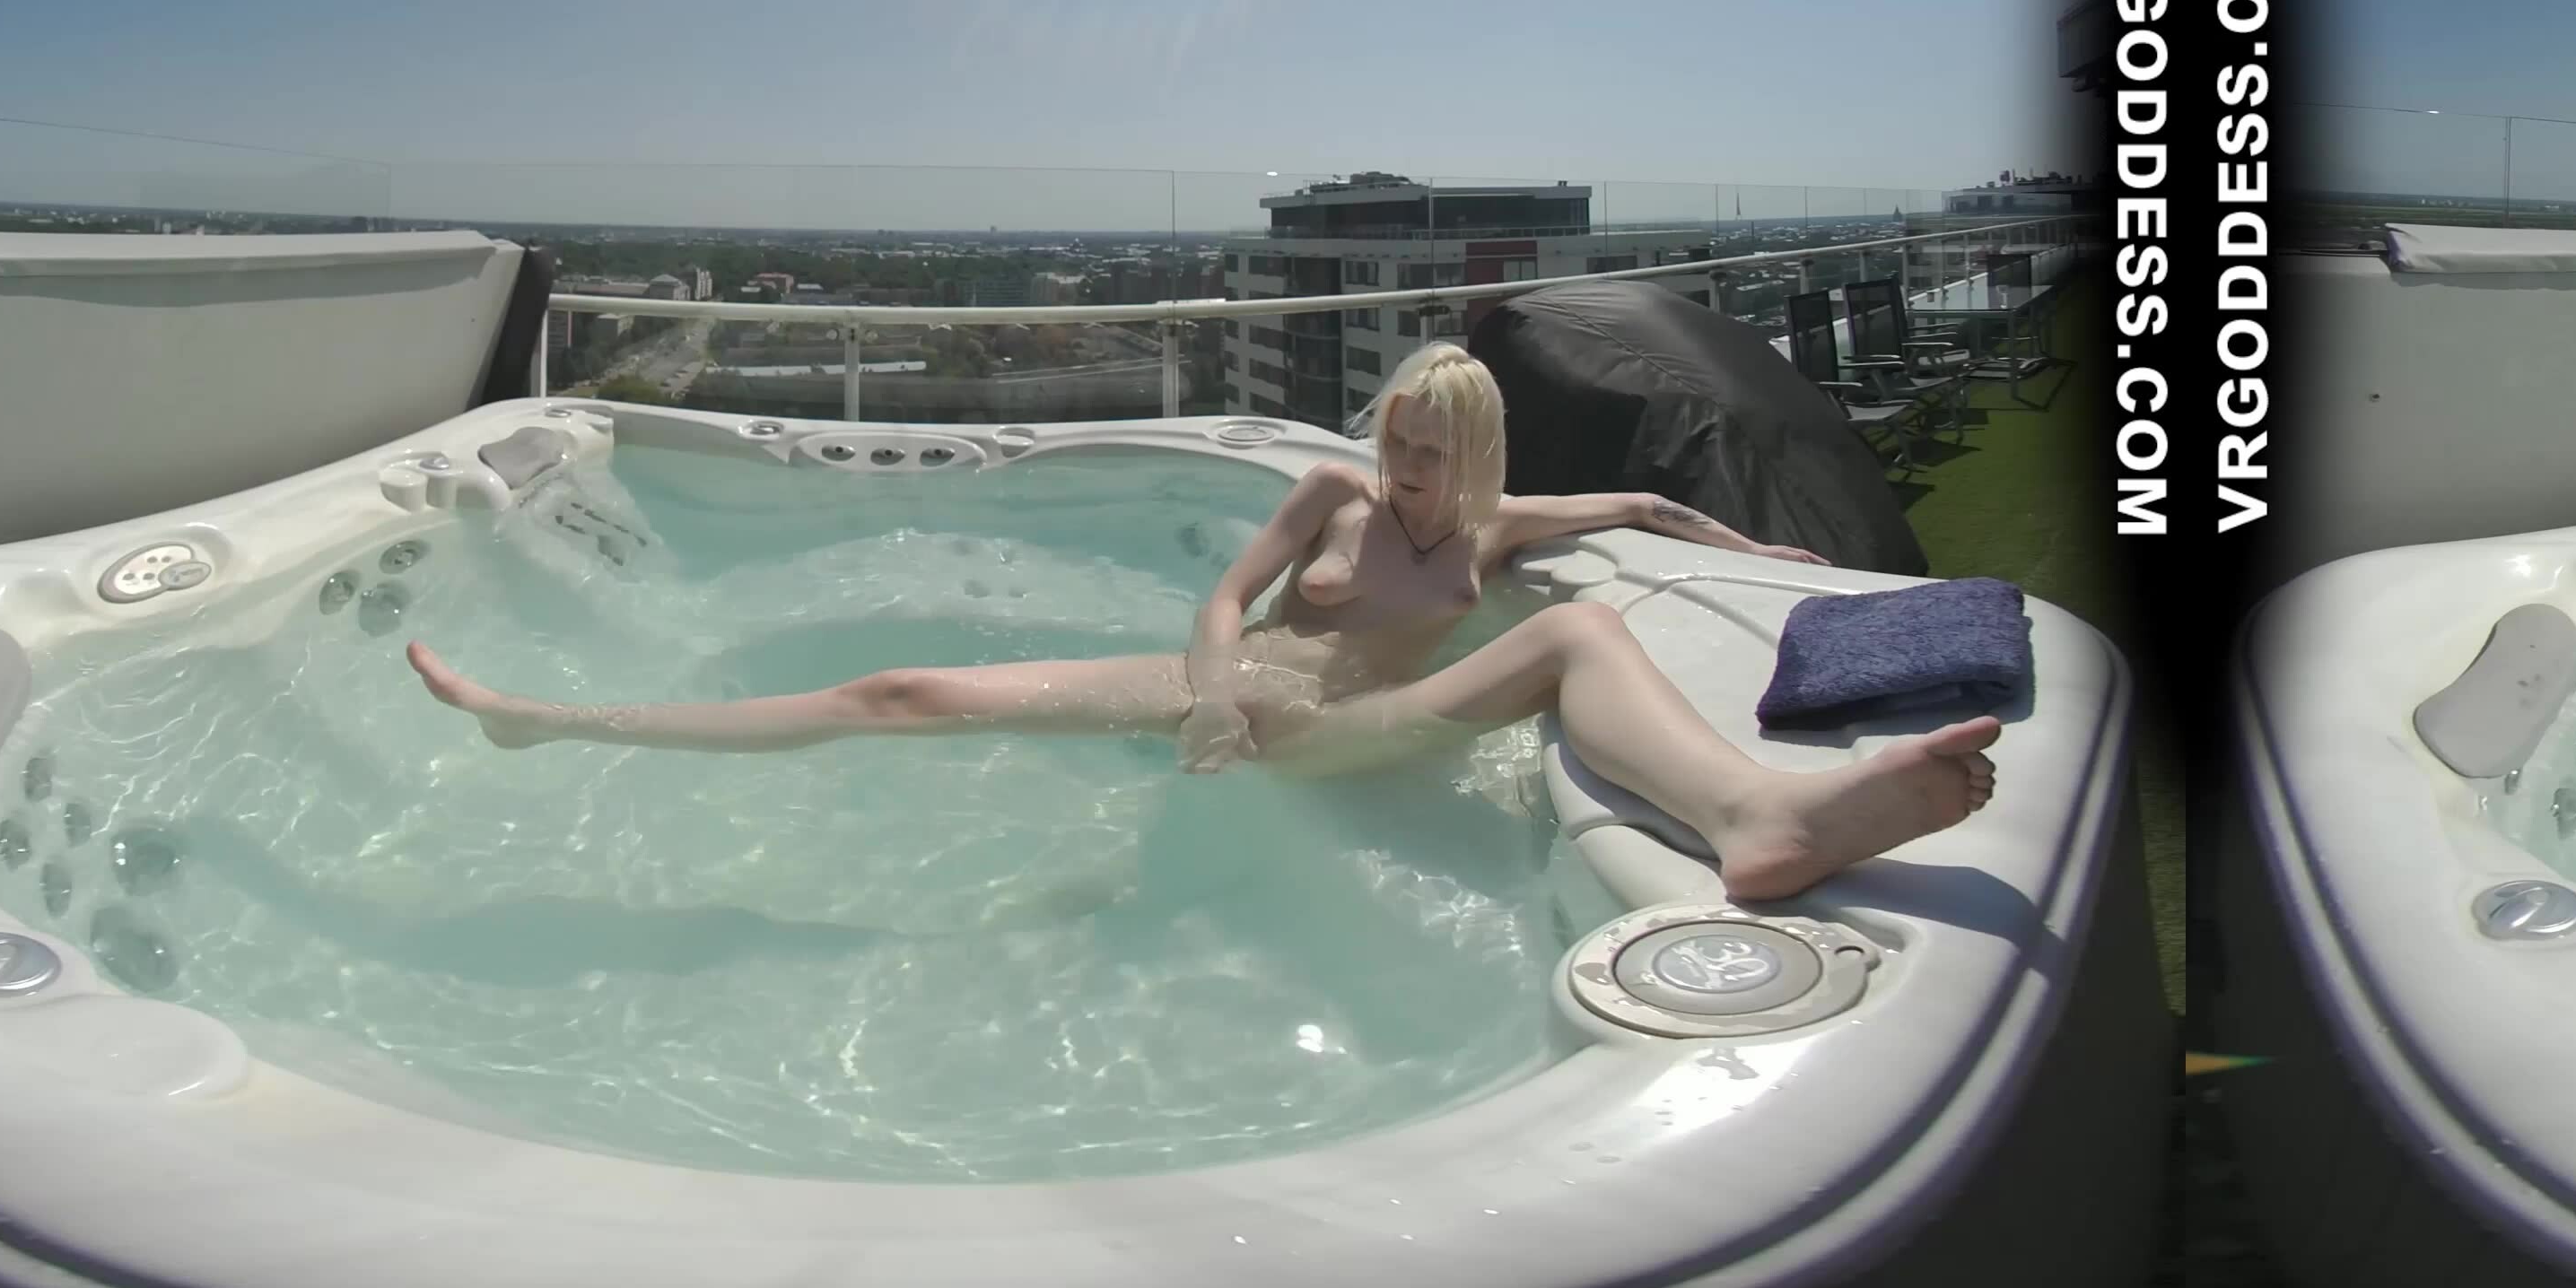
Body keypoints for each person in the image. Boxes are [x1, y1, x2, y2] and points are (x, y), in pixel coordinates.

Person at [412, 342, 1999, 901]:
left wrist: (1763, 550)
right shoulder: (1333, 494)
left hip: (1358, 733)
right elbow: (1226, 598)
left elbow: (1649, 509)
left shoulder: (1504, 527)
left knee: (1580, 637)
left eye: (1430, 452)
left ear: (1479, 455)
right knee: (902, 688)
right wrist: (1218, 691)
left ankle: (1756, 815)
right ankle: (545, 721)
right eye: (1396, 440)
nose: (1405, 468)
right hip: (1237, 698)